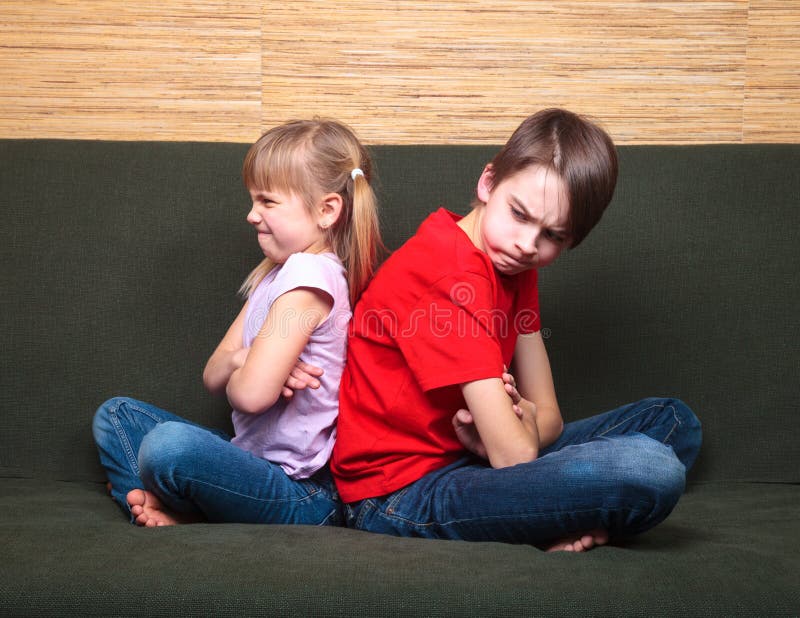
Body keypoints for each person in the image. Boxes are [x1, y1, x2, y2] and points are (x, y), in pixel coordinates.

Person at [322, 108, 702, 551]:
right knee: (649, 469)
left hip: (474, 459)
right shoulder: (448, 276)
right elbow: (515, 456)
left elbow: (551, 419)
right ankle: (571, 519)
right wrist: (512, 435)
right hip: (397, 494)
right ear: (488, 183)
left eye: (553, 237)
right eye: (519, 214)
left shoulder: (514, 264)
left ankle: (565, 517)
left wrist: (514, 428)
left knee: (674, 421)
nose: (527, 244)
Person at [92, 118, 381, 527]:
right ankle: (172, 506)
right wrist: (247, 357)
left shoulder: (310, 277)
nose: (251, 214)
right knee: (117, 415)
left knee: (168, 446)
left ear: (326, 210)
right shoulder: (274, 274)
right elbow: (214, 373)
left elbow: (250, 397)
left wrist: (253, 370)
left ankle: (166, 505)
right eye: (252, 200)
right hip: (249, 462)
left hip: (302, 492)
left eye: (267, 201)